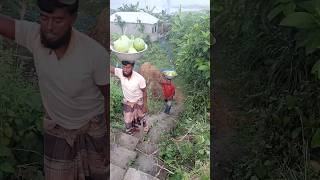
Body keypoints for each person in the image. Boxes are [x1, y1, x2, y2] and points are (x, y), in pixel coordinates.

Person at [0, 0, 109, 179]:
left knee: (99, 175)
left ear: (73, 19)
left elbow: (107, 96)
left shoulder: (95, 55)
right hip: (57, 127)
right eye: (44, 18)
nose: (49, 27)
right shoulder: (34, 36)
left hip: (93, 127)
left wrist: (107, 140)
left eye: (58, 20)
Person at [110, 61, 149, 134]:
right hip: (128, 101)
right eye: (124, 67)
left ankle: (145, 126)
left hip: (138, 100)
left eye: (128, 67)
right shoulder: (120, 73)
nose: (125, 69)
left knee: (141, 115)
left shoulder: (139, 78)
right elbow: (109, 68)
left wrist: (145, 105)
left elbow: (144, 91)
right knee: (128, 119)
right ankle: (131, 130)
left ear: (132, 67)